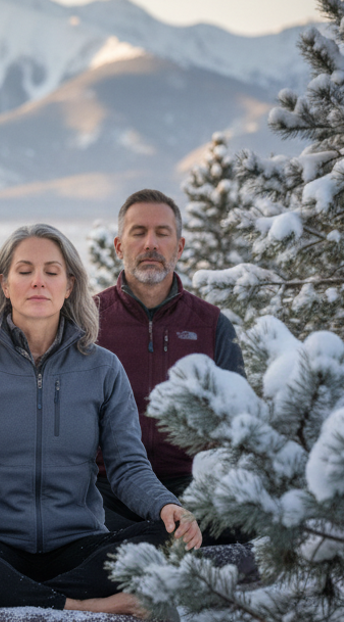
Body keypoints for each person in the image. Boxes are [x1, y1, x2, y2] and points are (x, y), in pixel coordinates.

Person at [0, 223, 199, 617]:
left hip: (80, 546)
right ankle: (82, 604)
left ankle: (4, 595)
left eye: (51, 271)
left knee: (168, 539)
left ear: (70, 285)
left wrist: (166, 506)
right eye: (24, 271)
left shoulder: (103, 368)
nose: (38, 282)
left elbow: (128, 467)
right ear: (5, 285)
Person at [95, 189, 246, 539]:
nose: (151, 243)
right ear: (119, 246)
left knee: (240, 526)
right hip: (107, 488)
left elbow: (238, 420)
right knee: (84, 532)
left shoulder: (212, 325)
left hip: (191, 485)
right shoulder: (89, 322)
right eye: (139, 232)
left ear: (179, 247)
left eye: (162, 233)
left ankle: (158, 548)